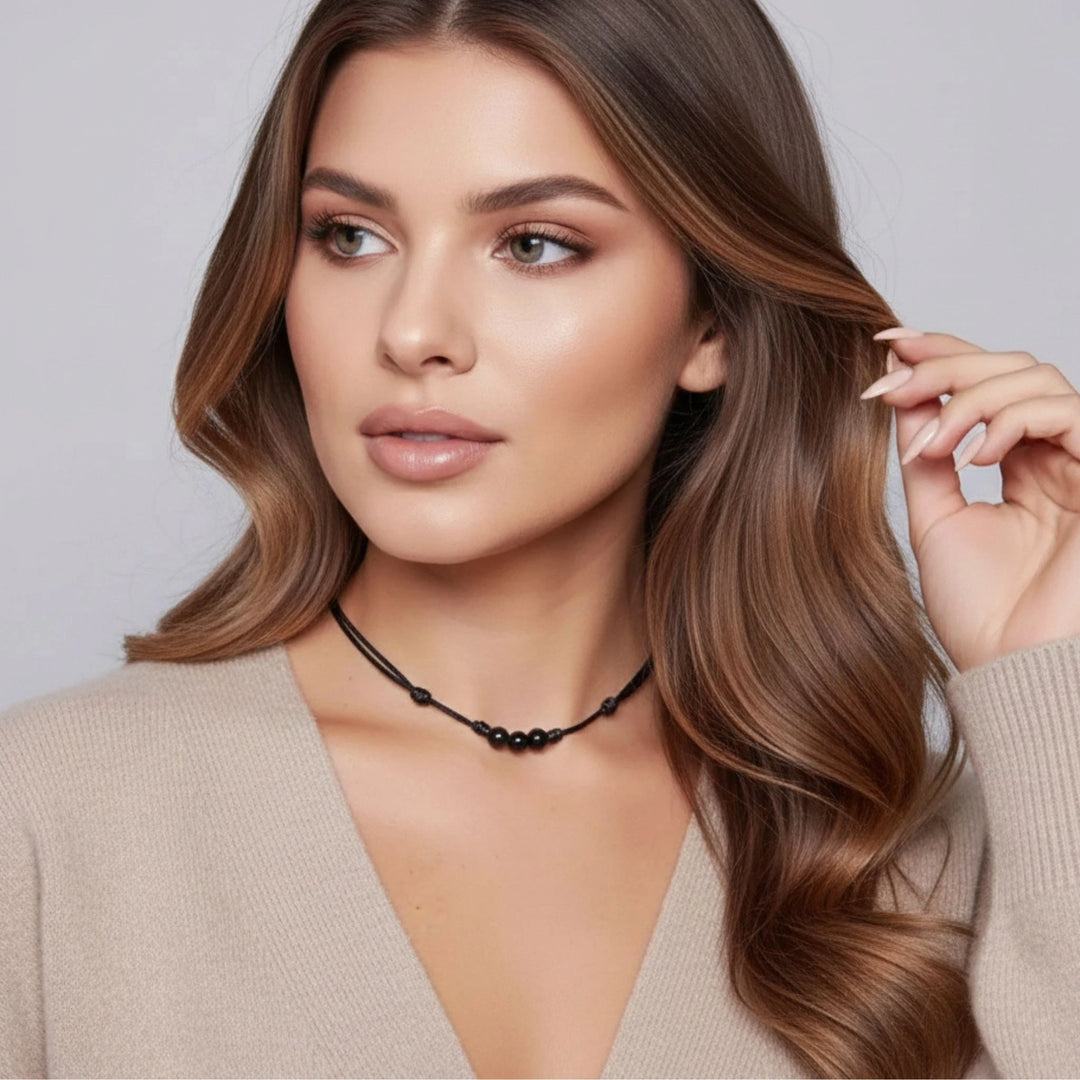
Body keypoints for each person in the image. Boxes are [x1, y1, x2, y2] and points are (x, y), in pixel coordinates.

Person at [2, 1, 1079, 1077]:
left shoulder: (900, 857)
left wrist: (1047, 674)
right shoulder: (49, 819)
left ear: (712, 323)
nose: (412, 331)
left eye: (534, 244)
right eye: (351, 236)